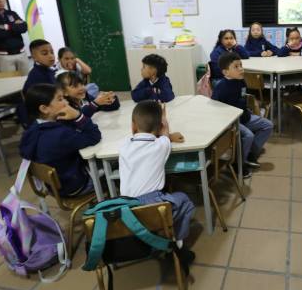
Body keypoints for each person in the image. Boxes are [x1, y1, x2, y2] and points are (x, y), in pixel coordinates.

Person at [119, 100, 195, 260]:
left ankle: (148, 238)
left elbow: (147, 135)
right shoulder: (162, 145)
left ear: (133, 126)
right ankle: (177, 245)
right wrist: (165, 124)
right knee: (185, 201)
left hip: (127, 210)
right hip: (153, 208)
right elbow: (165, 135)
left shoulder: (124, 146)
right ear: (161, 126)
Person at [19, 83, 102, 197]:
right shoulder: (60, 135)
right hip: (76, 186)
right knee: (114, 165)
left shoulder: (33, 129)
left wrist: (77, 115)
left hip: (56, 186)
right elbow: (94, 136)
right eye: (60, 99)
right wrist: (78, 116)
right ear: (44, 108)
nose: (66, 102)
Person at [212, 52, 273, 178]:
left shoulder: (241, 82)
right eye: (236, 66)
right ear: (226, 72)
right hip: (231, 121)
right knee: (248, 135)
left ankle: (250, 155)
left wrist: (251, 110)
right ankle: (237, 164)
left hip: (244, 116)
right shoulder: (221, 87)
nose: (241, 69)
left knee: (268, 125)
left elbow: (243, 99)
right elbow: (215, 108)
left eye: (241, 65)